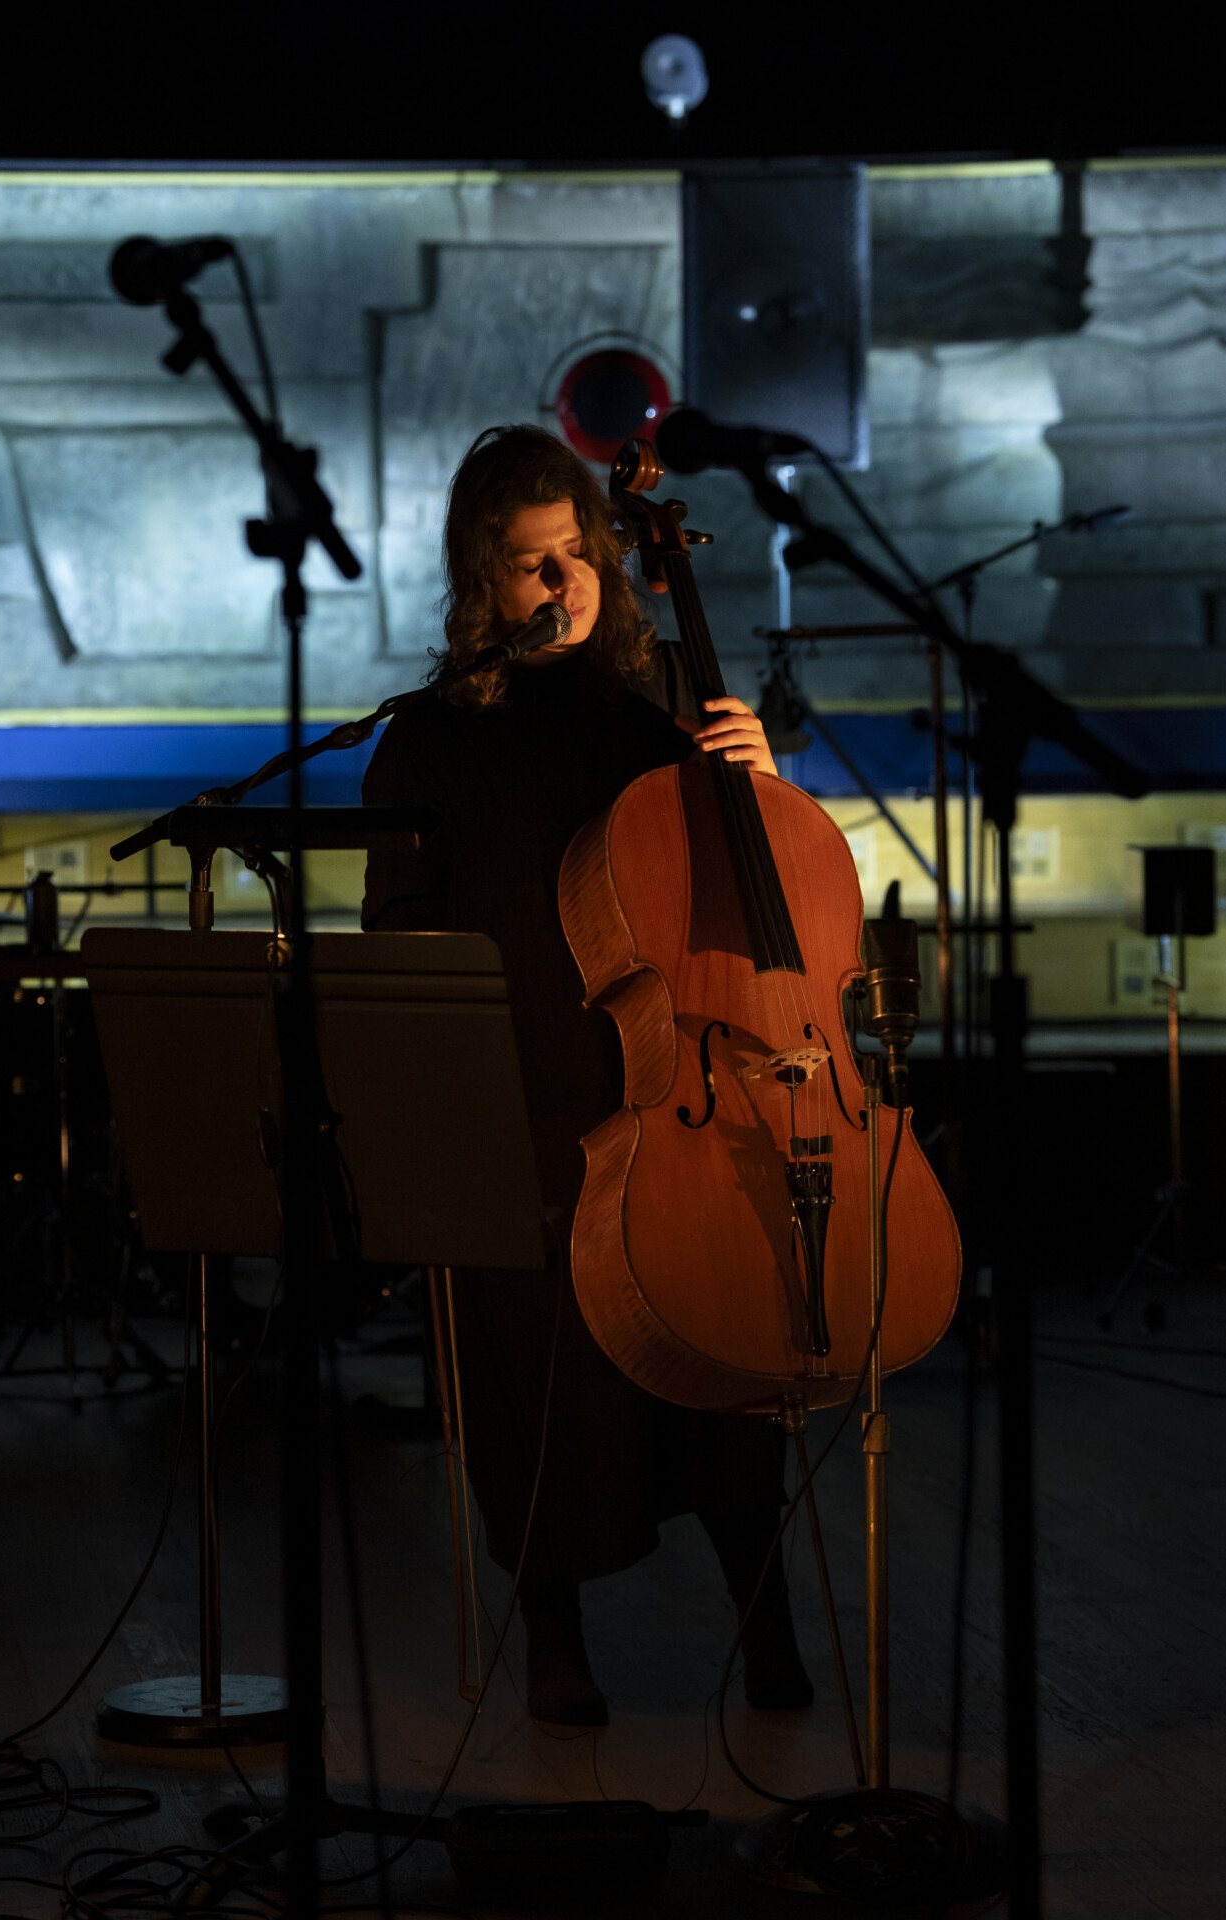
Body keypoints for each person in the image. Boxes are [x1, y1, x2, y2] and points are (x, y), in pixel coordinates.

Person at [362, 424, 812, 1725]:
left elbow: (774, 909)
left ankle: (767, 1614)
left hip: (687, 1093)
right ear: (478, 581)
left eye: (575, 557)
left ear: (612, 561)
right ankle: (553, 1634)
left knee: (727, 1370)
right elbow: (405, 937)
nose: (557, 587)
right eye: (523, 564)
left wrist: (767, 792)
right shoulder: (433, 742)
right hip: (529, 1109)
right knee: (533, 1381)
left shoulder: (670, 708)